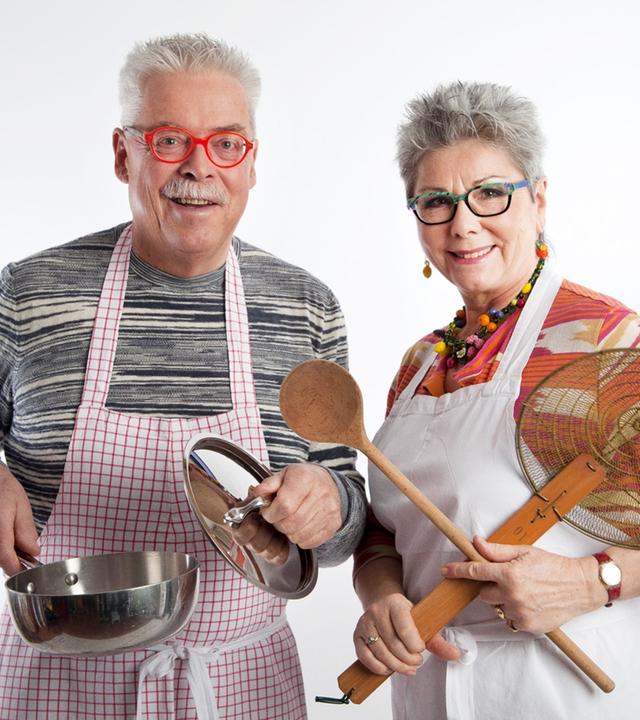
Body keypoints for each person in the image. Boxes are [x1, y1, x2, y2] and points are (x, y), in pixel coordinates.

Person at [0, 33, 366, 720]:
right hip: (57, 685)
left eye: (227, 143)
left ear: (251, 163)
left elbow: (349, 514)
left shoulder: (304, 307)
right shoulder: (27, 294)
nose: (200, 167)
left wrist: (330, 503)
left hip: (240, 689)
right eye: (170, 140)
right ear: (122, 154)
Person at [351, 81, 640, 719]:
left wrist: (596, 580)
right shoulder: (420, 363)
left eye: (489, 193)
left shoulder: (607, 342)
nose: (463, 224)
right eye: (437, 201)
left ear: (538, 199)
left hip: (562, 693)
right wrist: (381, 601)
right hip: (429, 690)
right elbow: (382, 530)